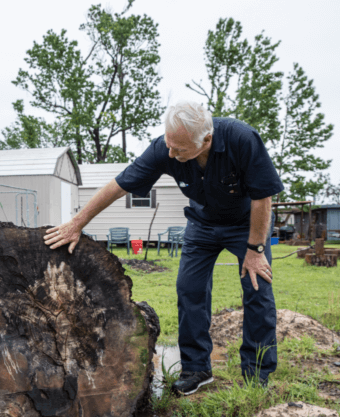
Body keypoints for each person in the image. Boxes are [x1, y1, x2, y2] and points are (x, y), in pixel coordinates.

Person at [43, 101, 284, 395]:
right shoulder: (164, 148)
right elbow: (119, 185)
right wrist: (77, 222)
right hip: (202, 223)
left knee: (257, 288)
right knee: (188, 288)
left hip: (247, 225)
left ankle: (257, 373)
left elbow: (263, 198)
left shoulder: (242, 139)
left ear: (206, 140)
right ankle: (196, 369)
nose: (171, 154)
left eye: (179, 149)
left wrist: (256, 250)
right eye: (169, 145)